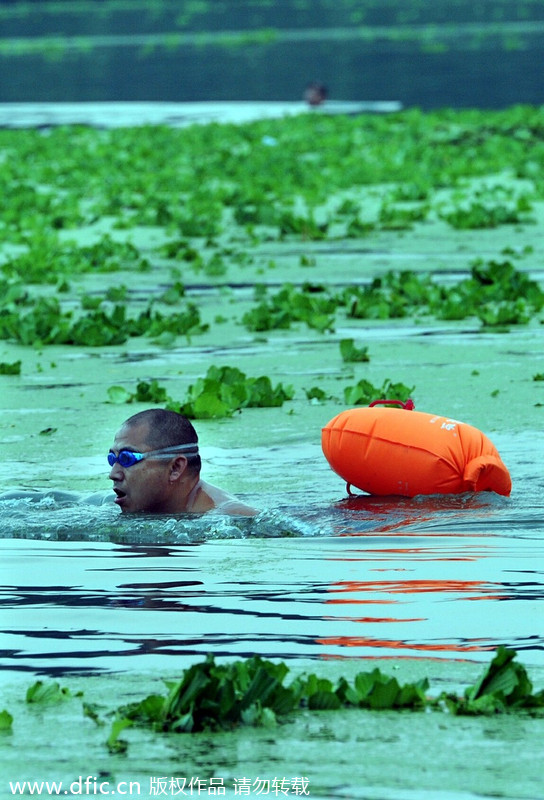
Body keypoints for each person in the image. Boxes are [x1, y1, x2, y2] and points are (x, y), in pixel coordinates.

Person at [108, 408, 258, 516]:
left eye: (126, 458)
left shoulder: (237, 519)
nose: (113, 474)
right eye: (112, 459)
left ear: (175, 468)